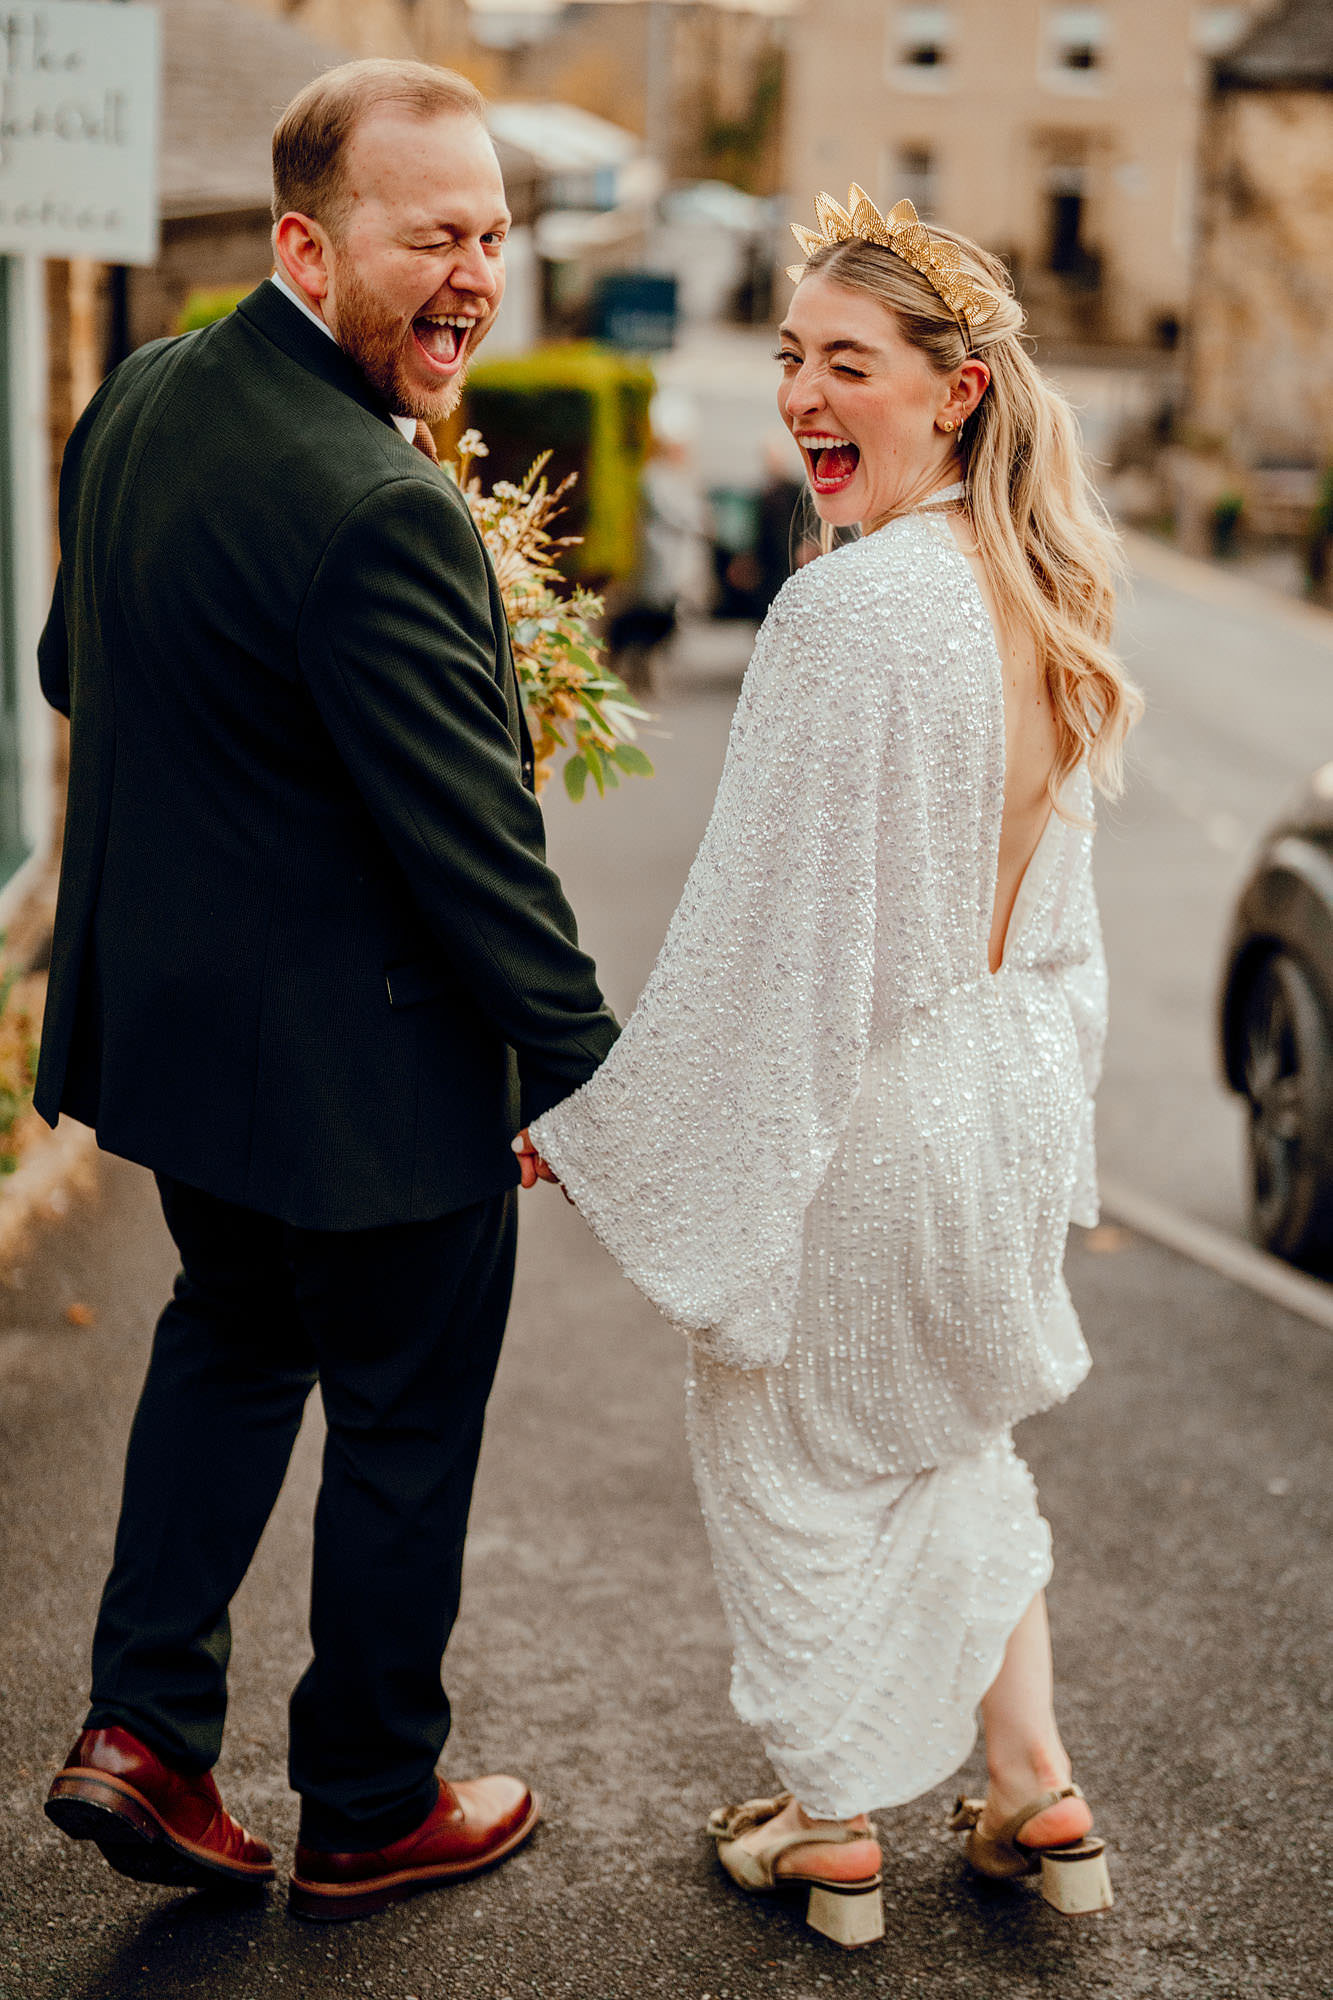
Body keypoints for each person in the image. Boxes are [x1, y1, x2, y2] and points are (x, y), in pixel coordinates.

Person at [518, 189, 1140, 1947]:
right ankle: (1035, 1790)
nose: (801, 393)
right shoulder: (1046, 592)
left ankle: (828, 1825)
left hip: (877, 1111)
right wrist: (1049, 1152)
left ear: (951, 392)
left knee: (786, 1436)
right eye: (788, 355)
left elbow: (772, 953)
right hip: (1005, 1091)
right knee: (948, 1441)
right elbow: (1061, 934)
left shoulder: (852, 612)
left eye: (844, 363)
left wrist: (599, 1125)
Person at [39, 60, 617, 1923]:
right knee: (397, 1412)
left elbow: (75, 667)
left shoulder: (137, 399)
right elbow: (478, 859)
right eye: (433, 235)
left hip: (186, 1061)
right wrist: (588, 1085)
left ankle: (143, 1735)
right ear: (308, 238)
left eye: (494, 238)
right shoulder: (381, 505)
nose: (476, 275)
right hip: (375, 1088)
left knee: (224, 1340)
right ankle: (371, 1799)